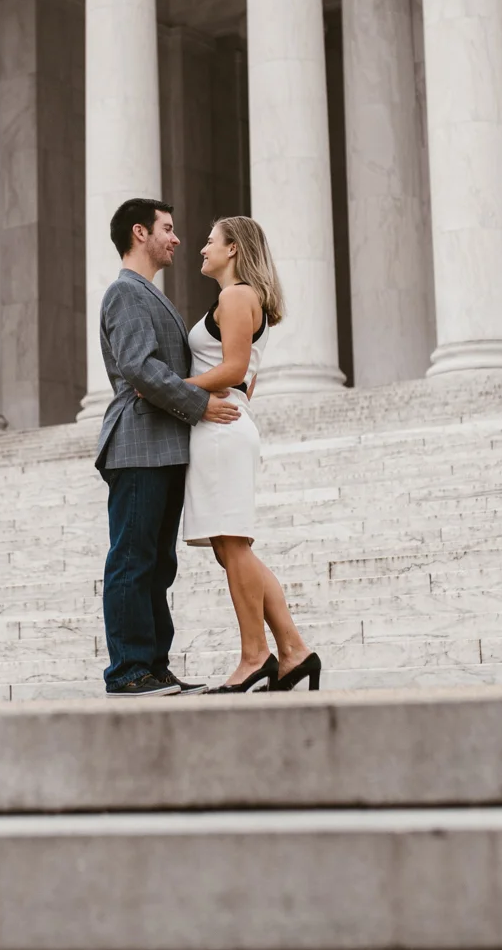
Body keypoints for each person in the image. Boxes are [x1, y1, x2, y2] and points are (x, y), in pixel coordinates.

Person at [94, 197, 240, 697]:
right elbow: (139, 367)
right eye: (169, 229)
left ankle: (154, 665)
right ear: (140, 233)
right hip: (137, 443)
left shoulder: (151, 295)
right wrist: (198, 403)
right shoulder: (125, 293)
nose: (178, 239)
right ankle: (128, 670)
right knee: (133, 560)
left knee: (159, 564)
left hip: (165, 444)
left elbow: (157, 372)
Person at [181, 216, 321, 693]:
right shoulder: (239, 299)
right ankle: (294, 651)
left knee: (233, 545)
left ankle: (254, 655)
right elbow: (248, 379)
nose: (202, 248)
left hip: (222, 432)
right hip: (222, 426)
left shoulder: (236, 296)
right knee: (230, 548)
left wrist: (174, 388)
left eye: (209, 240)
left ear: (234, 249)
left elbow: (237, 369)